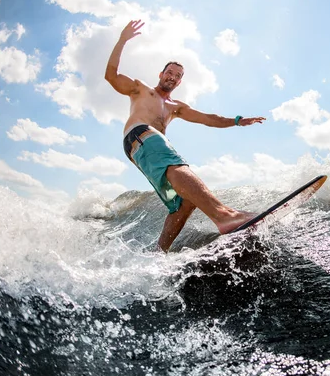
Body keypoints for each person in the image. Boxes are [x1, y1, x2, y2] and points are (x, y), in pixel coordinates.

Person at [105, 19, 266, 252]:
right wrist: (122, 40)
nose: (172, 76)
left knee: (185, 202)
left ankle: (159, 254)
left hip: (142, 150)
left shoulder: (176, 107)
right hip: (140, 135)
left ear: (180, 82)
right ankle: (225, 215)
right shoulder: (140, 89)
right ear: (161, 74)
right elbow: (111, 76)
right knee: (176, 163)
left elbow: (208, 118)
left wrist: (238, 121)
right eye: (169, 72)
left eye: (177, 75)